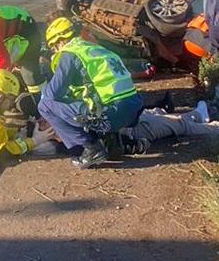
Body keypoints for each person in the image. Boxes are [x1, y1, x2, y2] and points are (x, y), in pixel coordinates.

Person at [36, 14, 143, 169]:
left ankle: (91, 148)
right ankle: (114, 143)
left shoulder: (69, 54)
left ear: (59, 42)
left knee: (45, 105)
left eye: (54, 47)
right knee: (94, 99)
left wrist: (42, 92)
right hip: (133, 109)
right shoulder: (95, 49)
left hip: (110, 115)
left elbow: (52, 95)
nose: (55, 51)